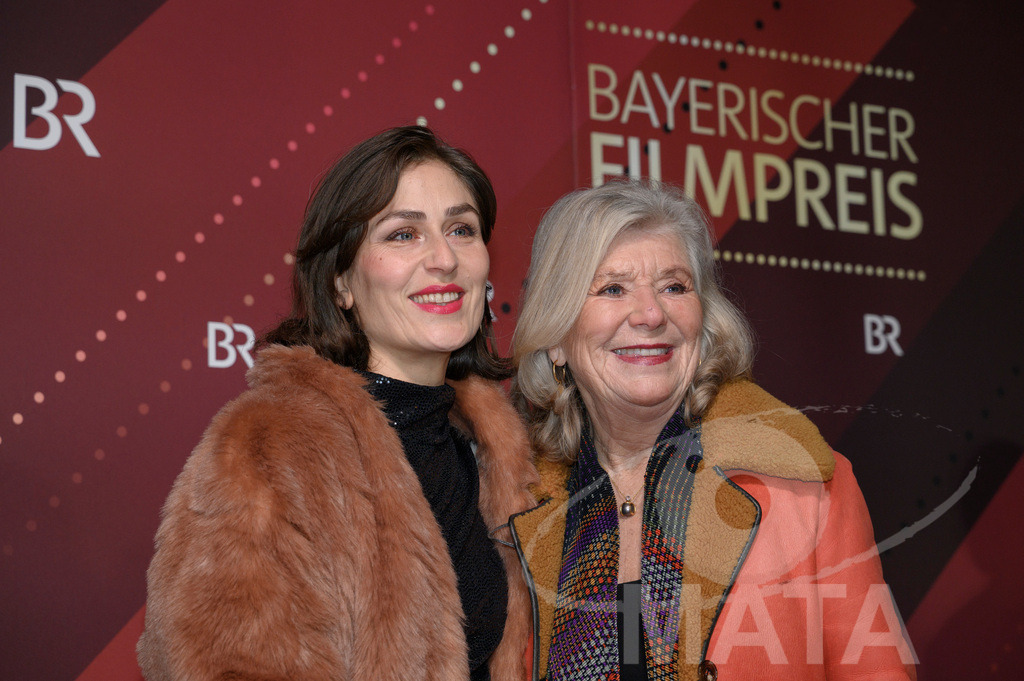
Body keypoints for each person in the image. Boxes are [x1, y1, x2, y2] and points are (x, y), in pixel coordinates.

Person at [137, 126, 538, 681]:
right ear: (341, 282)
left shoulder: (493, 455)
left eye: (461, 229)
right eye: (403, 235)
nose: (444, 258)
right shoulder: (266, 450)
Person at [509, 181, 916, 681]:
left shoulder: (809, 489)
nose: (651, 314)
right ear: (556, 339)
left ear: (703, 324)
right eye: (613, 288)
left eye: (674, 287)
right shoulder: (512, 506)